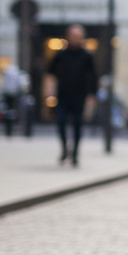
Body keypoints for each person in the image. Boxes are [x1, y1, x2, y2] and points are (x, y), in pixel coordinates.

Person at [46, 25, 97, 167]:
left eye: (78, 36)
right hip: (63, 95)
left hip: (79, 96)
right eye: (73, 35)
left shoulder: (87, 56)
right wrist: (50, 91)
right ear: (68, 36)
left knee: (77, 124)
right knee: (61, 121)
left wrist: (92, 96)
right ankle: (64, 149)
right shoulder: (61, 55)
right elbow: (51, 73)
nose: (75, 39)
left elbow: (92, 77)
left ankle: (74, 153)